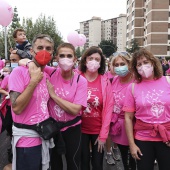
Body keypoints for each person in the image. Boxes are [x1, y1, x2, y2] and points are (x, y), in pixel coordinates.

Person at [21, 42, 88, 170]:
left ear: (75, 59)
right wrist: (29, 64)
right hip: (52, 128)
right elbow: (24, 60)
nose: (65, 59)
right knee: (55, 164)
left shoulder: (81, 80)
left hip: (72, 129)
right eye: (62, 55)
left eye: (69, 56)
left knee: (73, 163)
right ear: (56, 58)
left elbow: (75, 109)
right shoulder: (50, 72)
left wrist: (54, 95)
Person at [8, 34, 55, 170]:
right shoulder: (18, 73)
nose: (44, 51)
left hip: (44, 137)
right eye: (40, 47)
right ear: (31, 51)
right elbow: (16, 107)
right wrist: (33, 81)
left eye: (48, 48)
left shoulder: (46, 74)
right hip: (26, 142)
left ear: (52, 53)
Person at [123, 48, 170, 170]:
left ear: (153, 63)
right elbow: (128, 118)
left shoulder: (168, 81)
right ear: (135, 68)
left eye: (145, 62)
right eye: (139, 64)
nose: (143, 66)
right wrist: (132, 145)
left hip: (167, 137)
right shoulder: (132, 88)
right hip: (143, 139)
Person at [79, 46, 113, 170]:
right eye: (91, 58)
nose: (93, 61)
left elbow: (109, 108)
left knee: (98, 164)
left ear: (101, 63)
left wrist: (103, 135)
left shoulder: (104, 81)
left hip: (98, 130)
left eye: (97, 59)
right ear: (85, 60)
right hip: (80, 129)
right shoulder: (77, 77)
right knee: (83, 162)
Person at [109, 52, 136, 170]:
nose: (120, 67)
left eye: (122, 64)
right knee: (124, 157)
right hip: (119, 127)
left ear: (129, 64)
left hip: (134, 126)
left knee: (135, 158)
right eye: (117, 64)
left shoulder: (137, 80)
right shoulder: (114, 80)